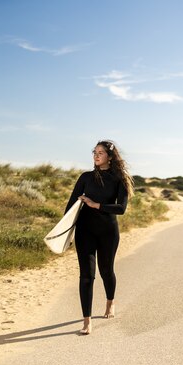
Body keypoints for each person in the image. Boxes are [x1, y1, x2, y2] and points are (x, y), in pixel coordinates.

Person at [65, 140, 134, 335]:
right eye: (94, 152)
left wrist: (95, 205)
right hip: (85, 231)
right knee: (86, 276)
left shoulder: (119, 179)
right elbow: (70, 207)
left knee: (106, 270)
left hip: (108, 232)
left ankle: (110, 302)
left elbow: (120, 208)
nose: (96, 156)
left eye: (101, 153)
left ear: (110, 157)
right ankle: (87, 321)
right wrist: (65, 233)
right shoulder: (85, 177)